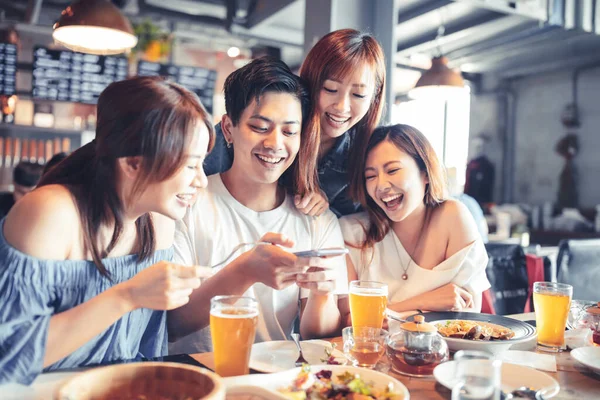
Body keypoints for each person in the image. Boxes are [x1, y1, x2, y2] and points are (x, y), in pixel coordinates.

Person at [0, 76, 214, 384]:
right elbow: (8, 355)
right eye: (191, 165)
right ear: (132, 163)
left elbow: (149, 348)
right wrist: (127, 296)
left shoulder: (159, 219)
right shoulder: (50, 213)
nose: (202, 180)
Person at [168, 58, 350, 354]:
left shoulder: (318, 220)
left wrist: (321, 295)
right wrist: (245, 270)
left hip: (281, 380)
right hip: (198, 380)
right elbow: (172, 324)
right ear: (228, 128)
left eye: (289, 132)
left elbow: (319, 336)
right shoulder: (185, 204)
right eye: (260, 127)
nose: (275, 143)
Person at [204, 29, 386, 217]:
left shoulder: (358, 155)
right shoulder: (250, 127)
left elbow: (350, 225)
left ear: (374, 96)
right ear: (311, 81)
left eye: (358, 95)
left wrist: (325, 209)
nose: (341, 107)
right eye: (330, 89)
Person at [340, 124, 490, 313]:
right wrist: (423, 302)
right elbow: (347, 321)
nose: (381, 185)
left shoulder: (453, 217)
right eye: (370, 176)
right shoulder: (353, 231)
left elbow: (468, 314)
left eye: (392, 170)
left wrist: (387, 311)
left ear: (425, 173)